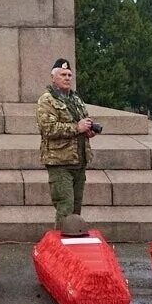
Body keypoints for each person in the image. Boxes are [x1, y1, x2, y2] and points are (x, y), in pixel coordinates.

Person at [36, 58, 94, 229]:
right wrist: (77, 128)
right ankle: (61, 246)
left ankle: (73, 241)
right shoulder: (46, 100)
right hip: (60, 162)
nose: (67, 78)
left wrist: (88, 130)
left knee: (76, 210)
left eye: (69, 74)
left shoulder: (75, 99)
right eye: (63, 74)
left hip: (79, 160)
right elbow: (49, 128)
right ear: (53, 77)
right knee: (65, 208)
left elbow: (83, 121)